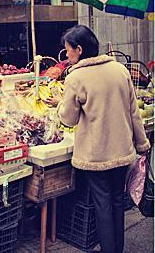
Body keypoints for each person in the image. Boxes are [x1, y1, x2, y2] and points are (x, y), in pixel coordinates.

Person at [57, 25, 150, 253]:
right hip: (122, 151)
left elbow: (68, 119)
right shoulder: (119, 70)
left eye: (68, 50)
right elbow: (133, 112)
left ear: (79, 49)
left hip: (95, 154)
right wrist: (142, 143)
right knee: (117, 201)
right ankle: (117, 247)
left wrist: (60, 105)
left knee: (103, 204)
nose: (66, 54)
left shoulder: (76, 77)